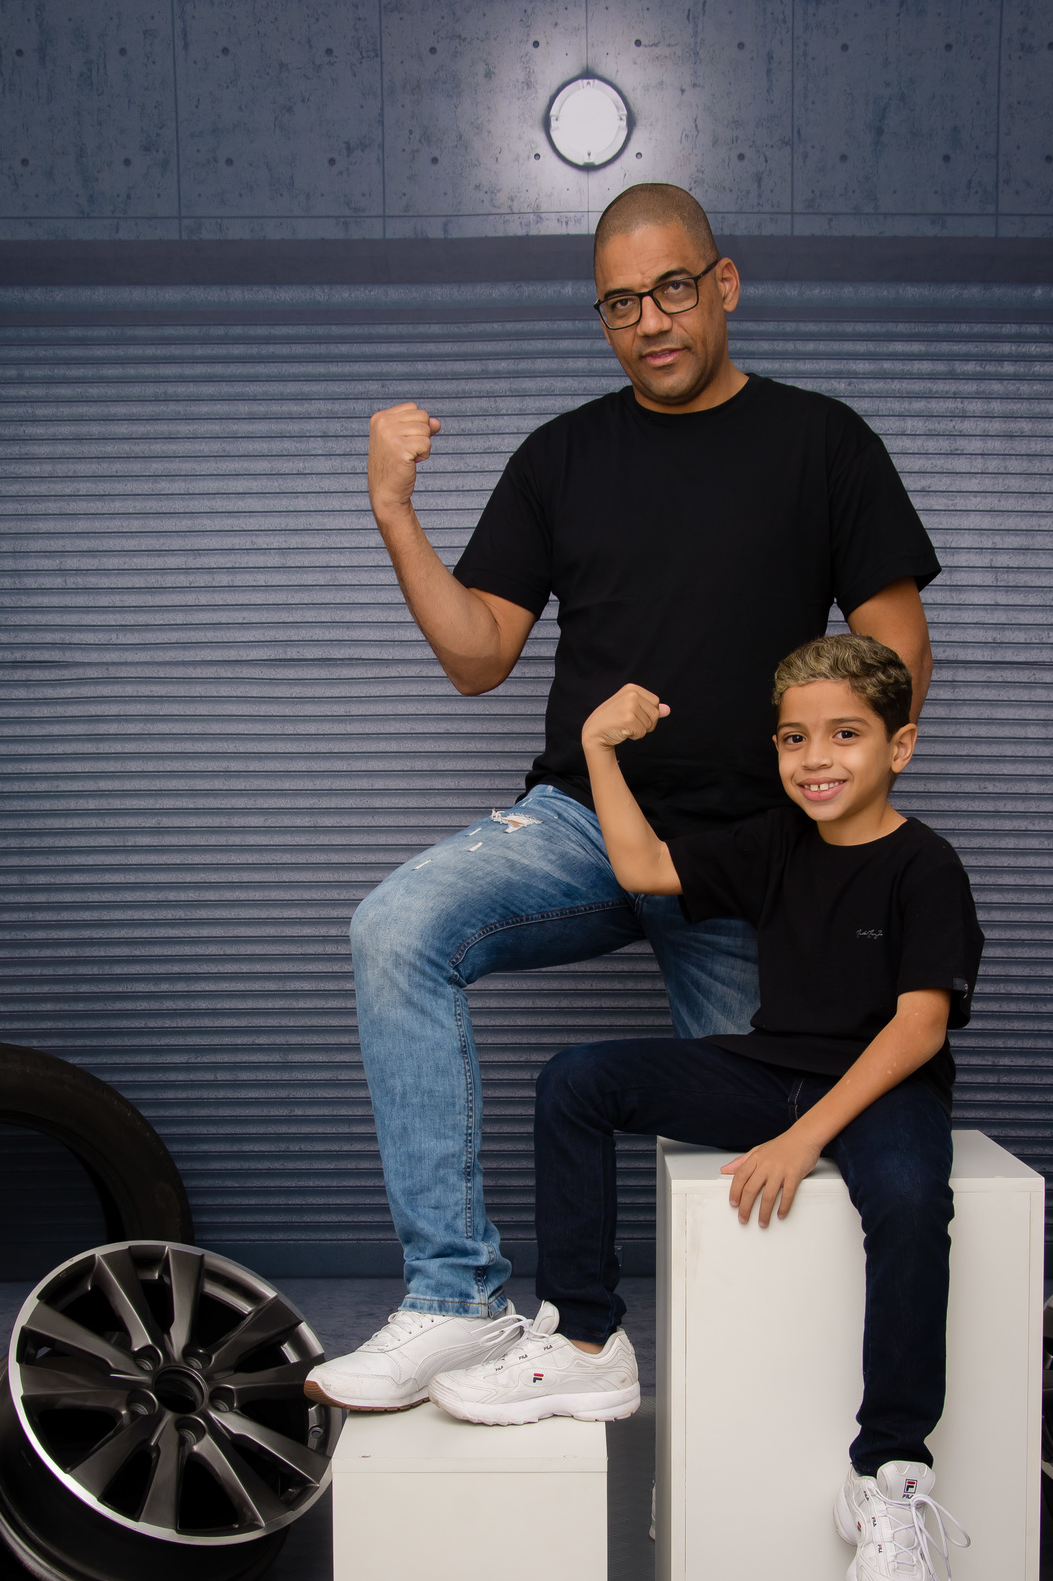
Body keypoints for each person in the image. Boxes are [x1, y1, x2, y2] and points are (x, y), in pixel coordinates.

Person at [305, 182, 942, 1416]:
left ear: (724, 284)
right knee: (395, 928)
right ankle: (456, 1296)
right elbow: (479, 656)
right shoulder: (562, 456)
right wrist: (393, 510)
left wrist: (827, 819)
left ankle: (815, 1432)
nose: (649, 320)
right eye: (618, 303)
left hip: (750, 858)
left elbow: (897, 645)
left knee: (803, 1131)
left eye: (672, 289)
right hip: (585, 827)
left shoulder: (823, 443)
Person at [429, 634, 981, 1581]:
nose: (816, 759)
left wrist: (803, 1138)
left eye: (845, 735)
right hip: (770, 1069)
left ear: (899, 747)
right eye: (795, 739)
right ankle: (586, 1336)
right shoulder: (775, 841)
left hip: (882, 1088)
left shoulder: (925, 865)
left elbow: (918, 1029)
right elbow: (642, 866)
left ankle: (890, 1474)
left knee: (909, 1199)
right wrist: (599, 749)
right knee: (576, 1081)